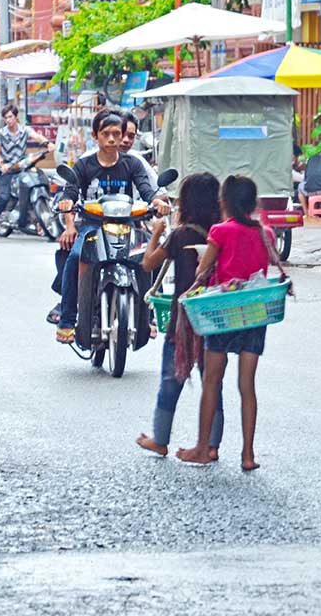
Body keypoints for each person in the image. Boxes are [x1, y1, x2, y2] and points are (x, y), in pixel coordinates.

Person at [177, 175, 278, 471]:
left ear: (224, 202)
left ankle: (201, 447)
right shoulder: (265, 233)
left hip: (223, 313)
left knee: (212, 382)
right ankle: (248, 455)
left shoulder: (220, 231)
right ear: (252, 202)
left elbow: (203, 267)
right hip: (256, 313)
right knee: (247, 386)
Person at [54, 109, 163, 344]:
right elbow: (71, 190)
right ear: (96, 135)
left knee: (151, 257)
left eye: (116, 133)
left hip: (128, 225)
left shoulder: (132, 164)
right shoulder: (84, 165)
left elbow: (146, 187)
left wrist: (156, 201)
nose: (112, 139)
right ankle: (66, 320)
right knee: (74, 258)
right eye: (106, 134)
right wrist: (68, 202)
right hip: (92, 227)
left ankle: (149, 316)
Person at [136, 172, 224, 459]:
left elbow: (149, 264)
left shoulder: (180, 235)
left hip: (182, 322)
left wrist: (154, 234)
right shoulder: (222, 234)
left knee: (170, 381)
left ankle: (160, 439)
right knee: (213, 384)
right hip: (213, 318)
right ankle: (211, 446)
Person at [0, 103, 53, 239]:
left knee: (34, 184)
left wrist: (47, 143)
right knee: (4, 197)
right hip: (7, 170)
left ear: (16, 117)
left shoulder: (24, 130)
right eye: (6, 118)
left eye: (10, 117)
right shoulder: (0, 134)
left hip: (22, 167)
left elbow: (37, 137)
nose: (8, 120)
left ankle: (38, 222)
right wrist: (2, 164)